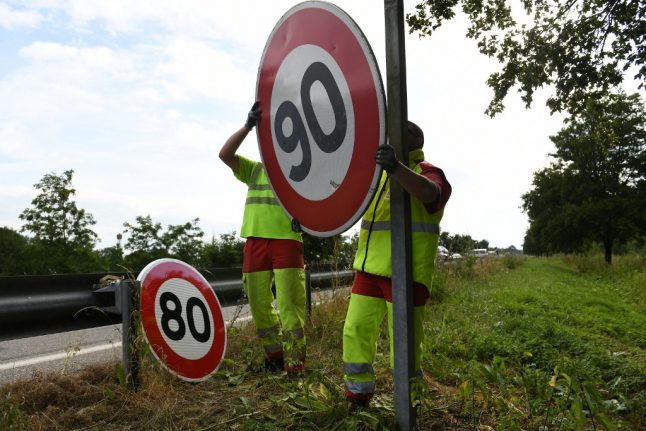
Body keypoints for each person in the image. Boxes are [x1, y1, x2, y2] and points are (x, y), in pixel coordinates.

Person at [342, 121, 452, 408]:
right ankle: (358, 394)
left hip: (407, 272)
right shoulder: (377, 176)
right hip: (367, 269)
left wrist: (396, 168)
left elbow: (431, 194)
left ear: (415, 139)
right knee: (355, 331)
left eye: (400, 129)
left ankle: (409, 404)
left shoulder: (428, 172)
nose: (390, 134)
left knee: (404, 345)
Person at [219, 101, 306, 375]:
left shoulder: (300, 174)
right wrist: (248, 126)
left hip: (287, 241)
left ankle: (295, 365)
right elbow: (225, 154)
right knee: (259, 305)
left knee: (289, 305)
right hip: (255, 241)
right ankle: (274, 358)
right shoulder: (255, 170)